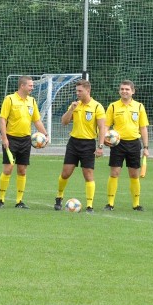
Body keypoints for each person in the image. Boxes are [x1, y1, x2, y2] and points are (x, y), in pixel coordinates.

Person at [55, 79, 106, 213]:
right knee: (65, 173)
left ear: (87, 91)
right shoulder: (74, 105)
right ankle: (59, 197)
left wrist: (100, 146)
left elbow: (102, 127)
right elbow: (64, 122)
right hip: (73, 143)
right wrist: (71, 109)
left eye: (80, 91)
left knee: (88, 174)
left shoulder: (97, 107)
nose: (77, 93)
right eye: (76, 91)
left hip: (88, 144)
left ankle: (89, 205)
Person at [0, 75, 49, 209]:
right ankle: (1, 199)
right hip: (11, 139)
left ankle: (19, 201)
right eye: (30, 85)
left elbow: (36, 120)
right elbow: (3, 119)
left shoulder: (32, 101)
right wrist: (4, 138)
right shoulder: (9, 99)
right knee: (8, 169)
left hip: (26, 140)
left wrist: (45, 134)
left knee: (22, 170)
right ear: (22, 86)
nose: (32, 87)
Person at [103, 80, 149, 211]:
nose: (124, 91)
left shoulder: (139, 107)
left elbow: (143, 128)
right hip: (117, 144)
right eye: (122, 89)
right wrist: (105, 137)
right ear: (119, 91)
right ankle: (110, 203)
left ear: (132, 91)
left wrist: (146, 148)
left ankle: (136, 204)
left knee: (134, 174)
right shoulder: (113, 106)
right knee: (114, 173)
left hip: (134, 143)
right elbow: (106, 125)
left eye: (127, 89)